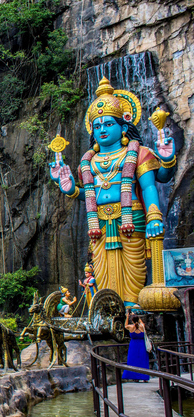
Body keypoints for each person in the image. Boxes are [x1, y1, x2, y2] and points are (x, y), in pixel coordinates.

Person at [49, 77, 177, 307]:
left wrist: (154, 216)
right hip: (97, 223)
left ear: (124, 126)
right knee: (103, 269)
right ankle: (106, 311)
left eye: (108, 124)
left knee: (133, 270)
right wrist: (69, 189)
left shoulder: (139, 153)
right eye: (97, 126)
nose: (102, 130)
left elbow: (151, 185)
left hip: (132, 217)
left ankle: (133, 315)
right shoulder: (88, 163)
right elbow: (87, 194)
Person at [122, 311, 150, 381]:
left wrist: (127, 317)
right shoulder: (142, 327)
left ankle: (135, 377)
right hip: (142, 345)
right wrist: (136, 316)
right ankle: (144, 378)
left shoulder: (131, 327)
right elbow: (142, 323)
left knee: (133, 360)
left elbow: (125, 326)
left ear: (132, 320)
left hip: (133, 345)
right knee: (143, 360)